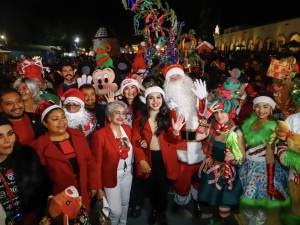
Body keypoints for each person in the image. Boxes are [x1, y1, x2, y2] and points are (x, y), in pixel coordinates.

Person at [33, 102, 101, 213]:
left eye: (63, 117)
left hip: (83, 189)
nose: (62, 122)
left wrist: (93, 184)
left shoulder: (78, 135)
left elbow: (90, 161)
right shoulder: (39, 146)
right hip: (59, 196)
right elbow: (40, 179)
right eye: (55, 119)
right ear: (45, 123)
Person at [132, 86, 184, 225]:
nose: (155, 101)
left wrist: (176, 132)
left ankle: (161, 212)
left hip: (165, 158)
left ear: (163, 99)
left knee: (163, 187)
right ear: (147, 101)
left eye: (158, 97)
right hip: (149, 157)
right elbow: (135, 139)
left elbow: (175, 140)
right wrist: (141, 159)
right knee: (152, 186)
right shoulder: (139, 118)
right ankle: (155, 210)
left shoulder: (170, 116)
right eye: (151, 98)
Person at [163, 64, 206, 213]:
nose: (175, 79)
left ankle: (196, 200)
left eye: (178, 76)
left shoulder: (193, 95)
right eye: (172, 78)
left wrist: (202, 100)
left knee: (198, 177)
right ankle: (181, 200)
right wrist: (194, 136)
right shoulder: (167, 106)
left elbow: (204, 116)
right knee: (182, 179)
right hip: (180, 149)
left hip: (199, 148)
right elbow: (170, 132)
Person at [239, 96, 289, 225]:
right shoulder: (249, 123)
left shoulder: (273, 127)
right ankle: (253, 219)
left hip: (263, 167)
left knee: (258, 197)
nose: (261, 110)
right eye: (258, 106)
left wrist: (270, 178)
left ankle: (258, 221)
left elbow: (270, 154)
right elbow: (243, 146)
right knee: (247, 197)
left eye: (265, 106)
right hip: (247, 166)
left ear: (271, 109)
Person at [197, 96, 245, 224]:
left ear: (230, 112)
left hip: (228, 173)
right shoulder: (212, 126)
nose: (219, 116)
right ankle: (215, 217)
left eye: (223, 111)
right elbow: (197, 136)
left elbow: (242, 158)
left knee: (224, 206)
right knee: (213, 199)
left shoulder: (236, 131)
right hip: (212, 169)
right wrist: (206, 117)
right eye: (216, 112)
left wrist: (235, 158)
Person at [0, 115, 50, 225]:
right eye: (0, 137)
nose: (7, 141)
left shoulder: (27, 155)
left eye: (10, 133)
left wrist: (42, 215)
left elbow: (43, 189)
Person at [91, 101, 133, 225]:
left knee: (125, 203)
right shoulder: (100, 135)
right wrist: (98, 188)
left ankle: (123, 223)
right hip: (111, 177)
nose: (121, 116)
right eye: (117, 113)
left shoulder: (127, 129)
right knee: (115, 211)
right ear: (109, 116)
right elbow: (96, 164)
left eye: (124, 113)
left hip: (128, 174)